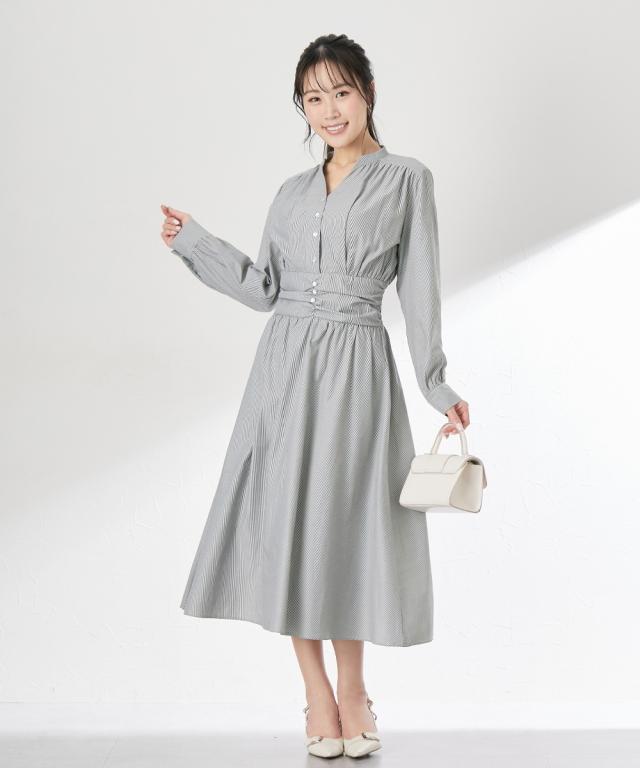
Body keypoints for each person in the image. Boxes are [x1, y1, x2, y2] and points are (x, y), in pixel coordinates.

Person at [160, 33, 470, 759]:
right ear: (302, 108)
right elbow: (264, 289)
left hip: (357, 366)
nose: (329, 110)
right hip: (282, 371)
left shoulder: (406, 179)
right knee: (288, 526)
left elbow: (420, 286)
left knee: (345, 527)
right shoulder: (290, 193)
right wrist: (194, 241)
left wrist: (435, 381)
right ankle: (316, 694)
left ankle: (354, 690)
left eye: (341, 92)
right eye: (313, 98)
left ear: (368, 93)